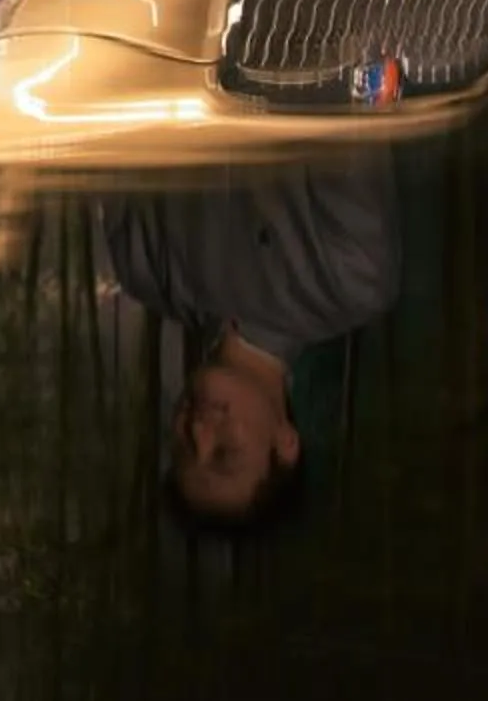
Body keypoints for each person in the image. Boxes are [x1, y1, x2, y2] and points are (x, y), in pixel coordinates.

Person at [101, 156, 401, 528]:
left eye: (185, 449)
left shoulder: (145, 272)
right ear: (285, 443)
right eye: (225, 454)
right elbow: (363, 104)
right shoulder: (348, 282)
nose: (199, 432)